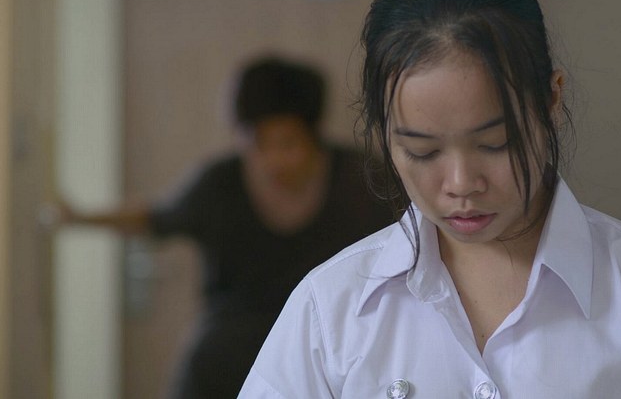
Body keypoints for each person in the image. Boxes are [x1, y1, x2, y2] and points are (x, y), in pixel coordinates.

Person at [238, 0, 621, 398]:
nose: (460, 183)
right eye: (423, 151)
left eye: (495, 143)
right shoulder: (331, 308)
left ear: (552, 99)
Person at [58, 56, 396, 398]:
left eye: (288, 144)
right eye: (260, 144)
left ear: (313, 138)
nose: (274, 161)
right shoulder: (219, 184)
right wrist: (81, 218)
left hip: (325, 357)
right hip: (224, 363)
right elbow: (154, 218)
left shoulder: (363, 181)